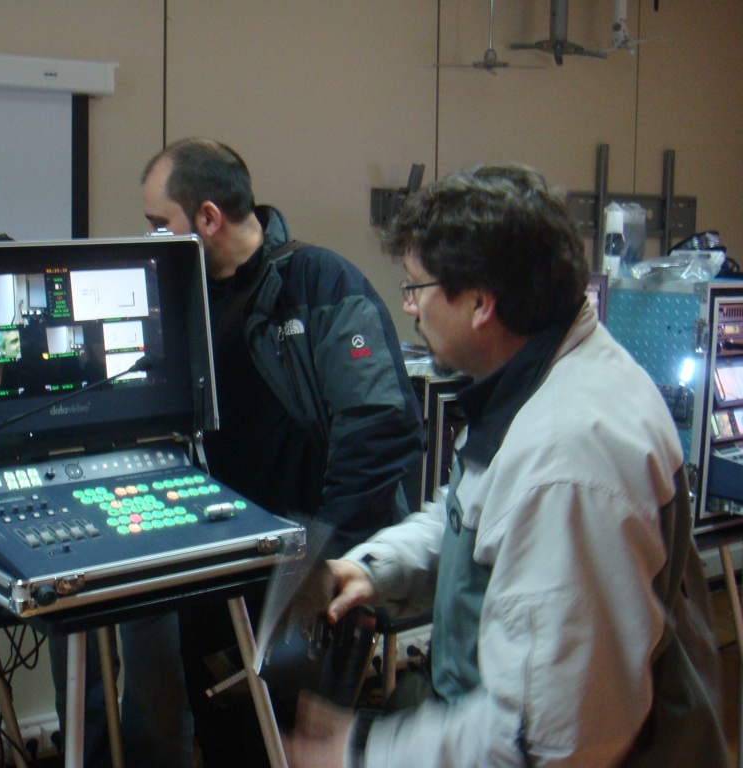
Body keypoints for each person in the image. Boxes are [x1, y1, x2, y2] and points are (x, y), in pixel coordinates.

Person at [283, 163, 730, 768]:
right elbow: (473, 515)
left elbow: (548, 740)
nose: (410, 307)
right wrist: (375, 568)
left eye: (416, 287)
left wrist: (360, 751)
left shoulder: (569, 457)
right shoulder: (538, 375)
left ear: (480, 303)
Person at [109, 138, 426, 768]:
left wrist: (323, 560)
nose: (151, 239)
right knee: (224, 730)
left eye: (158, 223)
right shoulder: (178, 296)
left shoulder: (322, 284)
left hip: (302, 571)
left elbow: (381, 430)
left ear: (207, 217)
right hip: (213, 562)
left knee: (288, 743)